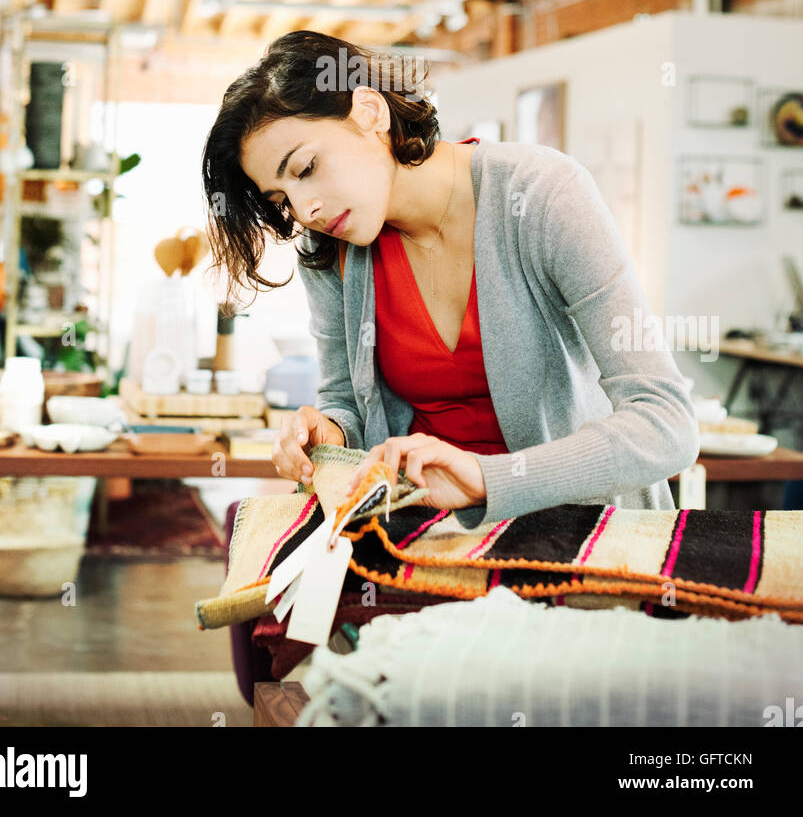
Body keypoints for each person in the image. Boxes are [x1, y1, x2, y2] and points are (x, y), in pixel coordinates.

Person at [202, 30, 699, 529]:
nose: (304, 209)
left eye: (307, 167)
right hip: (420, 532)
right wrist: (329, 433)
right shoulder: (329, 245)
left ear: (370, 112)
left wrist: (489, 479)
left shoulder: (542, 195)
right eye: (280, 200)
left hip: (579, 533)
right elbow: (346, 405)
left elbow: (666, 423)